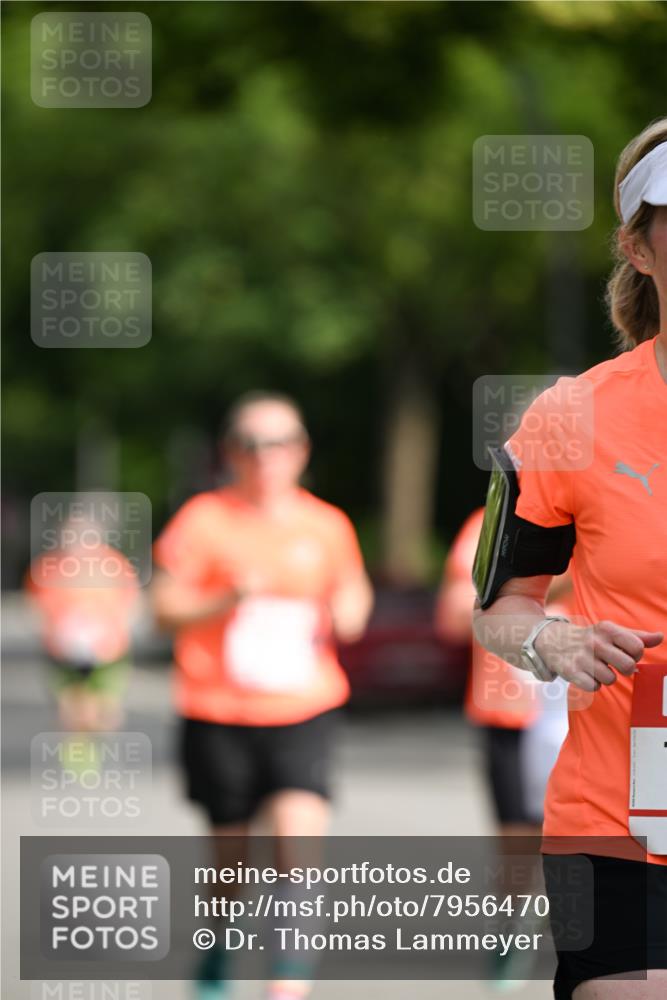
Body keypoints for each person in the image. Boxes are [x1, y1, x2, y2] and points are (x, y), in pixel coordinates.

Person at [473, 119, 667, 1000]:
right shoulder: (569, 418)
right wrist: (549, 643)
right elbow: (499, 607)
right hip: (623, 815)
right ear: (638, 245)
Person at [151, 391, 373, 1000]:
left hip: (304, 708)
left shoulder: (326, 524)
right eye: (251, 443)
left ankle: (286, 986)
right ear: (230, 453)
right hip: (218, 711)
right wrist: (228, 598)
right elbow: (163, 609)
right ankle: (219, 950)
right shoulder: (203, 520)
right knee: (230, 867)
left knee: (298, 850)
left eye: (279, 442)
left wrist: (348, 611)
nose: (266, 455)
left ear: (300, 451)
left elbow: (353, 593)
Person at [437, 507, 571, 838]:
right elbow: (453, 616)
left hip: (590, 712)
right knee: (517, 858)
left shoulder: (607, 508)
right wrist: (530, 591)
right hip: (510, 713)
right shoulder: (492, 519)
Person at [27, 515, 140, 732]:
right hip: (62, 652)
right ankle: (77, 757)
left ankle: (98, 753)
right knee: (70, 713)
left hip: (108, 652)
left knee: (105, 712)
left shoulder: (114, 563)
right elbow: (36, 604)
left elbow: (131, 601)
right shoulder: (48, 567)